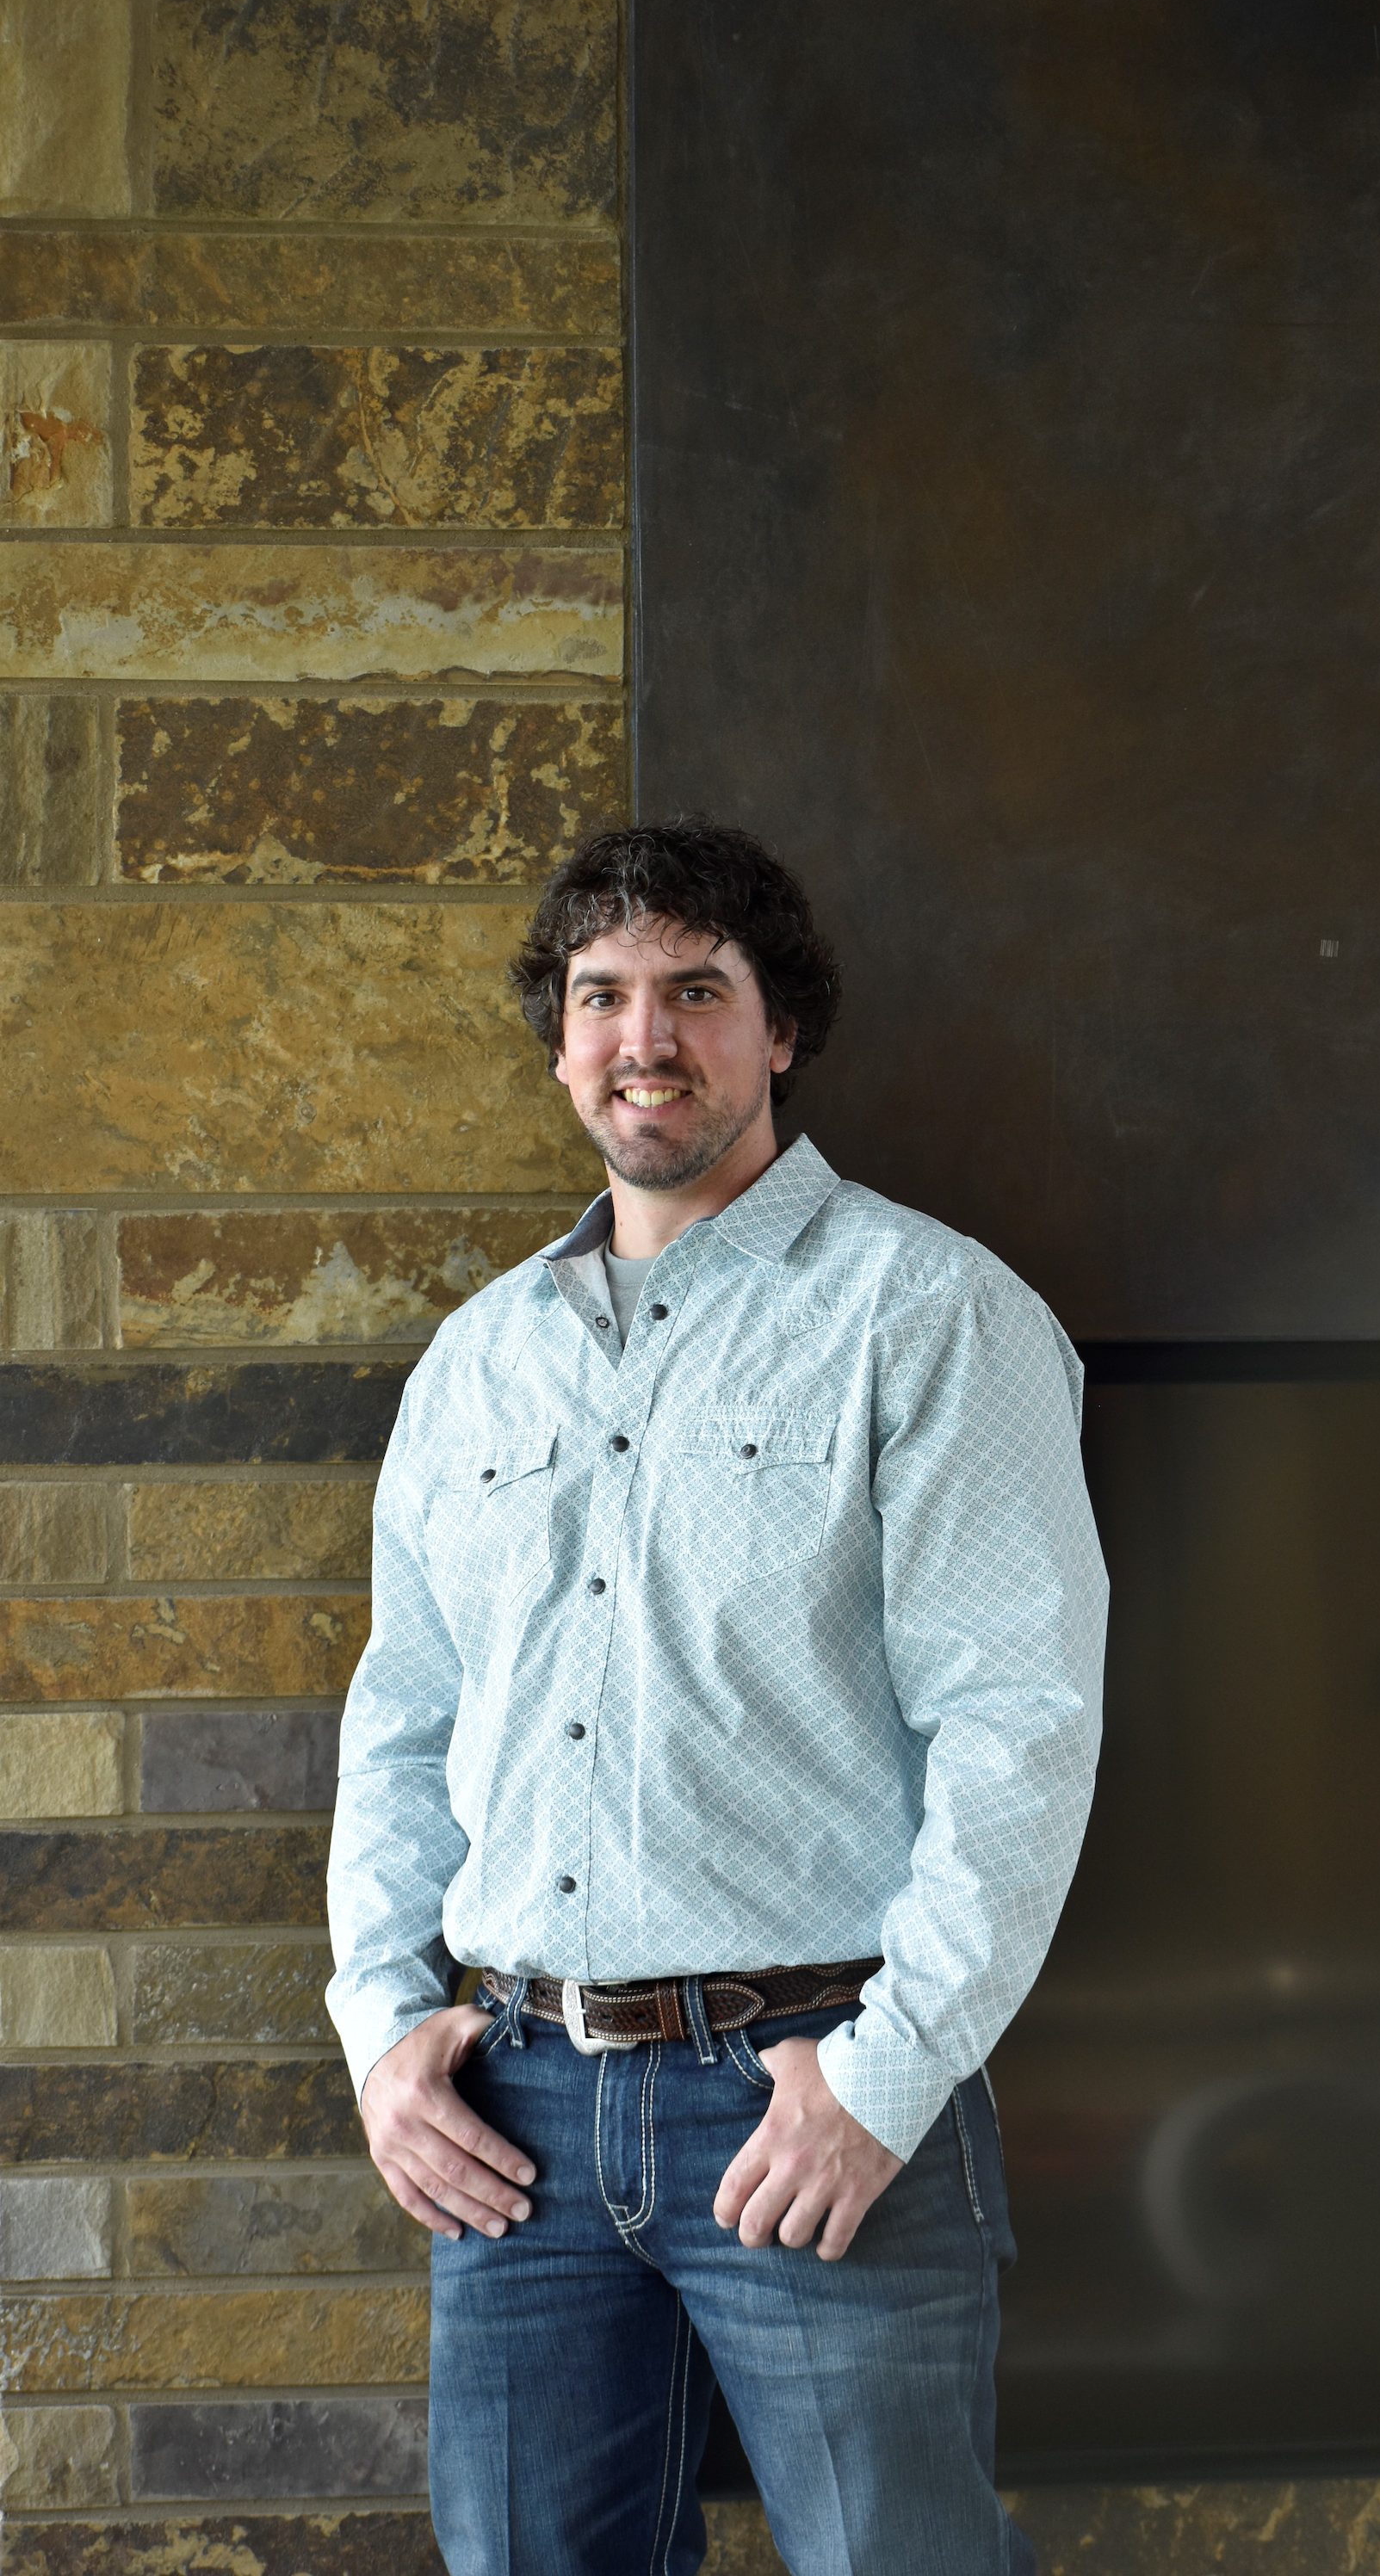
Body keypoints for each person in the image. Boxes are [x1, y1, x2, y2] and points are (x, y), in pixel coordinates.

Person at [326, 820, 1108, 2576]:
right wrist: (381, 2029)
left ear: (779, 1030)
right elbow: (402, 1724)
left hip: (810, 2097)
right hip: (510, 2116)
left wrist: (885, 2077)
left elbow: (1021, 1726)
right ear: (556, 1041)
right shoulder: (477, 1362)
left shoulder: (932, 1316)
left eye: (695, 989)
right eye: (600, 996)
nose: (643, 1038)